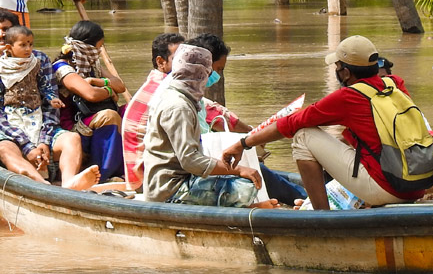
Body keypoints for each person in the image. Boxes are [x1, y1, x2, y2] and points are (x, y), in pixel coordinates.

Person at [223, 36, 424, 209]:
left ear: (345, 73)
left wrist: (243, 144)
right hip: (417, 185)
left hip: (386, 188)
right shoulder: (394, 83)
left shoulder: (348, 96)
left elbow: (289, 124)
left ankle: (321, 217)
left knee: (303, 135)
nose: (337, 72)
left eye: (337, 67)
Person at [0, 13, 99, 191]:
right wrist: (27, 146)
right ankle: (42, 185)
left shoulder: (39, 61)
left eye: (5, 30)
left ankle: (70, 185)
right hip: (5, 132)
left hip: (38, 125)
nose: (0, 35)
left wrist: (44, 141)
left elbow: (50, 105)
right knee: (6, 149)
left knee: (72, 139)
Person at [142, 44, 274, 207]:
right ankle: (249, 209)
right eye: (208, 72)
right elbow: (190, 160)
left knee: (236, 176)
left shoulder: (178, 97)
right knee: (245, 185)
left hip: (180, 180)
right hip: (170, 189)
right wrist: (238, 170)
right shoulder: (179, 107)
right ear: (201, 74)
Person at [187, 32, 306, 205]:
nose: (217, 76)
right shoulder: (181, 101)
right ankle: (306, 200)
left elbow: (220, 118)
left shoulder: (197, 99)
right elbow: (190, 158)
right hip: (196, 171)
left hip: (206, 162)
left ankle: (303, 199)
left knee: (260, 170)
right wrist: (238, 167)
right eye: (217, 69)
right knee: (257, 172)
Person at [52, 20, 128, 181]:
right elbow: (90, 95)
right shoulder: (62, 68)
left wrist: (99, 82)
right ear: (87, 47)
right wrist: (109, 91)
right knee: (109, 116)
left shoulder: (93, 66)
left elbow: (120, 86)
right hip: (72, 126)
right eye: (98, 47)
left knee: (132, 110)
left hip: (92, 116)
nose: (99, 52)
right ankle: (104, 174)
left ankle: (133, 166)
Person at [0, 25, 65, 168]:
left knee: (36, 138)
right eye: (23, 45)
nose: (28, 49)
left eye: (30, 44)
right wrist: (0, 111)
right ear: (9, 47)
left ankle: (42, 171)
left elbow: (44, 86)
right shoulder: (1, 68)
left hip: (34, 110)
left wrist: (51, 98)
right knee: (21, 141)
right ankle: (28, 172)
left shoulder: (35, 63)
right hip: (12, 112)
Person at [121, 32, 185, 191]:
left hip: (143, 173)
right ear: (160, 62)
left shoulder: (159, 83)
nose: (186, 64)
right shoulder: (166, 88)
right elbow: (212, 113)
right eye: (179, 59)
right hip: (147, 177)